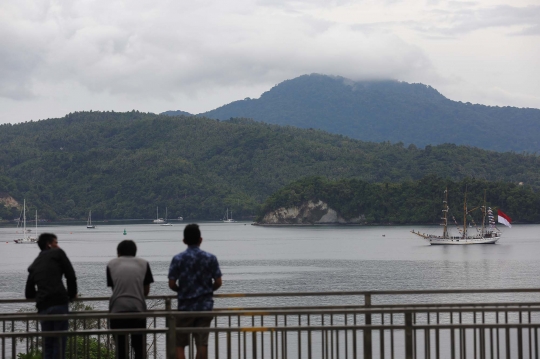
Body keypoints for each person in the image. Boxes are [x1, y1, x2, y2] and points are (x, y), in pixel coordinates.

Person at [168, 224, 222, 359]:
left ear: (184, 241)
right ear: (200, 240)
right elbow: (218, 282)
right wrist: (208, 290)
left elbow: (172, 283)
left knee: (179, 344)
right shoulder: (210, 258)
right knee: (202, 343)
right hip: (204, 306)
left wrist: (181, 291)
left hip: (185, 306)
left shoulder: (178, 259)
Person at [25, 233, 77, 359]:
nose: (57, 246)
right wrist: (71, 295)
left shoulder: (35, 264)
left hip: (43, 307)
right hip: (59, 303)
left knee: (47, 343)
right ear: (49, 245)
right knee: (59, 343)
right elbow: (70, 275)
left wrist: (41, 295)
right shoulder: (58, 254)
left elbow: (29, 293)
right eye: (55, 243)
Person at [107, 240, 154, 359]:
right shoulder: (144, 263)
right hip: (137, 310)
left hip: (117, 310)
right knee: (139, 348)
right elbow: (146, 290)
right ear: (135, 252)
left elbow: (114, 288)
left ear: (118, 252)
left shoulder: (111, 264)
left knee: (121, 348)